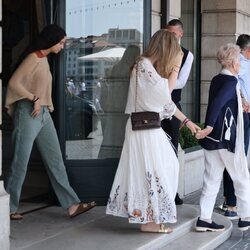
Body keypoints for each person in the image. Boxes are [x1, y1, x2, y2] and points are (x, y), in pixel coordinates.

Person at [106, 29, 200, 233]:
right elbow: (166, 95)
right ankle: (149, 221)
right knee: (154, 171)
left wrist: (188, 123)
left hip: (147, 128)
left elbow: (165, 103)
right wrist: (176, 68)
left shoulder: (146, 67)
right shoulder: (143, 65)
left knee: (161, 168)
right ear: (166, 48)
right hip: (144, 129)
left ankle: (150, 218)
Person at [4, 24, 96, 220]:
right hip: (29, 113)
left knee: (55, 161)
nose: (62, 46)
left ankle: (72, 205)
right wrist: (34, 98)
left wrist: (44, 103)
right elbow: (13, 83)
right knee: (21, 162)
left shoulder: (43, 59)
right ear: (52, 40)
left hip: (43, 115)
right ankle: (9, 208)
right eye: (61, 42)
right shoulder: (33, 57)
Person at [195, 43, 250, 232]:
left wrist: (240, 105)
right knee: (241, 176)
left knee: (211, 179)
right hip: (226, 139)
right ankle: (245, 217)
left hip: (213, 141)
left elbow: (223, 103)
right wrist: (208, 126)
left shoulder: (217, 79)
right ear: (233, 62)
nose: (240, 64)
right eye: (239, 61)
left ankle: (204, 219)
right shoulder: (231, 81)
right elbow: (218, 103)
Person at [161, 19, 194, 205]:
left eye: (174, 33)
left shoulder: (187, 55)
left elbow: (181, 82)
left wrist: (161, 84)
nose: (170, 36)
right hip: (156, 106)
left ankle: (172, 193)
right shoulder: (160, 51)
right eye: (168, 33)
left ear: (181, 34)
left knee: (172, 149)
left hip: (172, 106)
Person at [221, 34, 250, 220]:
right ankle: (231, 204)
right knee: (236, 157)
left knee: (236, 157)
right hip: (241, 116)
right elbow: (235, 87)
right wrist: (243, 100)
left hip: (242, 114)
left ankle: (230, 201)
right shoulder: (238, 64)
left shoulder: (239, 64)